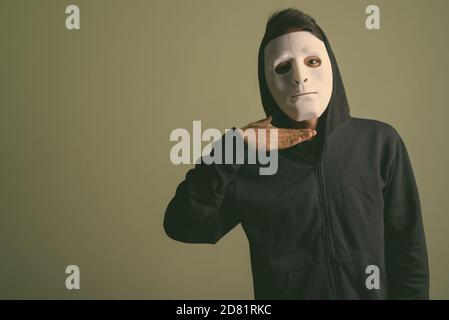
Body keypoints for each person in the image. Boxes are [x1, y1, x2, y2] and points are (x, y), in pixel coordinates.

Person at [163, 8, 429, 300]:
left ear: (331, 65)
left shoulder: (380, 143)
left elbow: (408, 252)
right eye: (282, 67)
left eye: (312, 61)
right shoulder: (251, 163)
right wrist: (232, 148)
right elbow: (184, 225)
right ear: (267, 80)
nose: (300, 78)